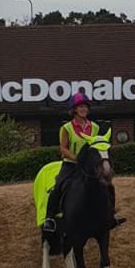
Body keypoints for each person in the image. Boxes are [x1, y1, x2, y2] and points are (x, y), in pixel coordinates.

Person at [44, 93, 125, 230]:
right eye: (81, 107)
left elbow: (96, 146)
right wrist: (77, 159)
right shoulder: (66, 128)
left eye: (86, 107)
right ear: (74, 109)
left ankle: (110, 215)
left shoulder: (95, 127)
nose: (84, 109)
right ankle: (50, 218)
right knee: (58, 186)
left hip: (90, 166)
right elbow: (63, 148)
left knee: (108, 185)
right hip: (71, 164)